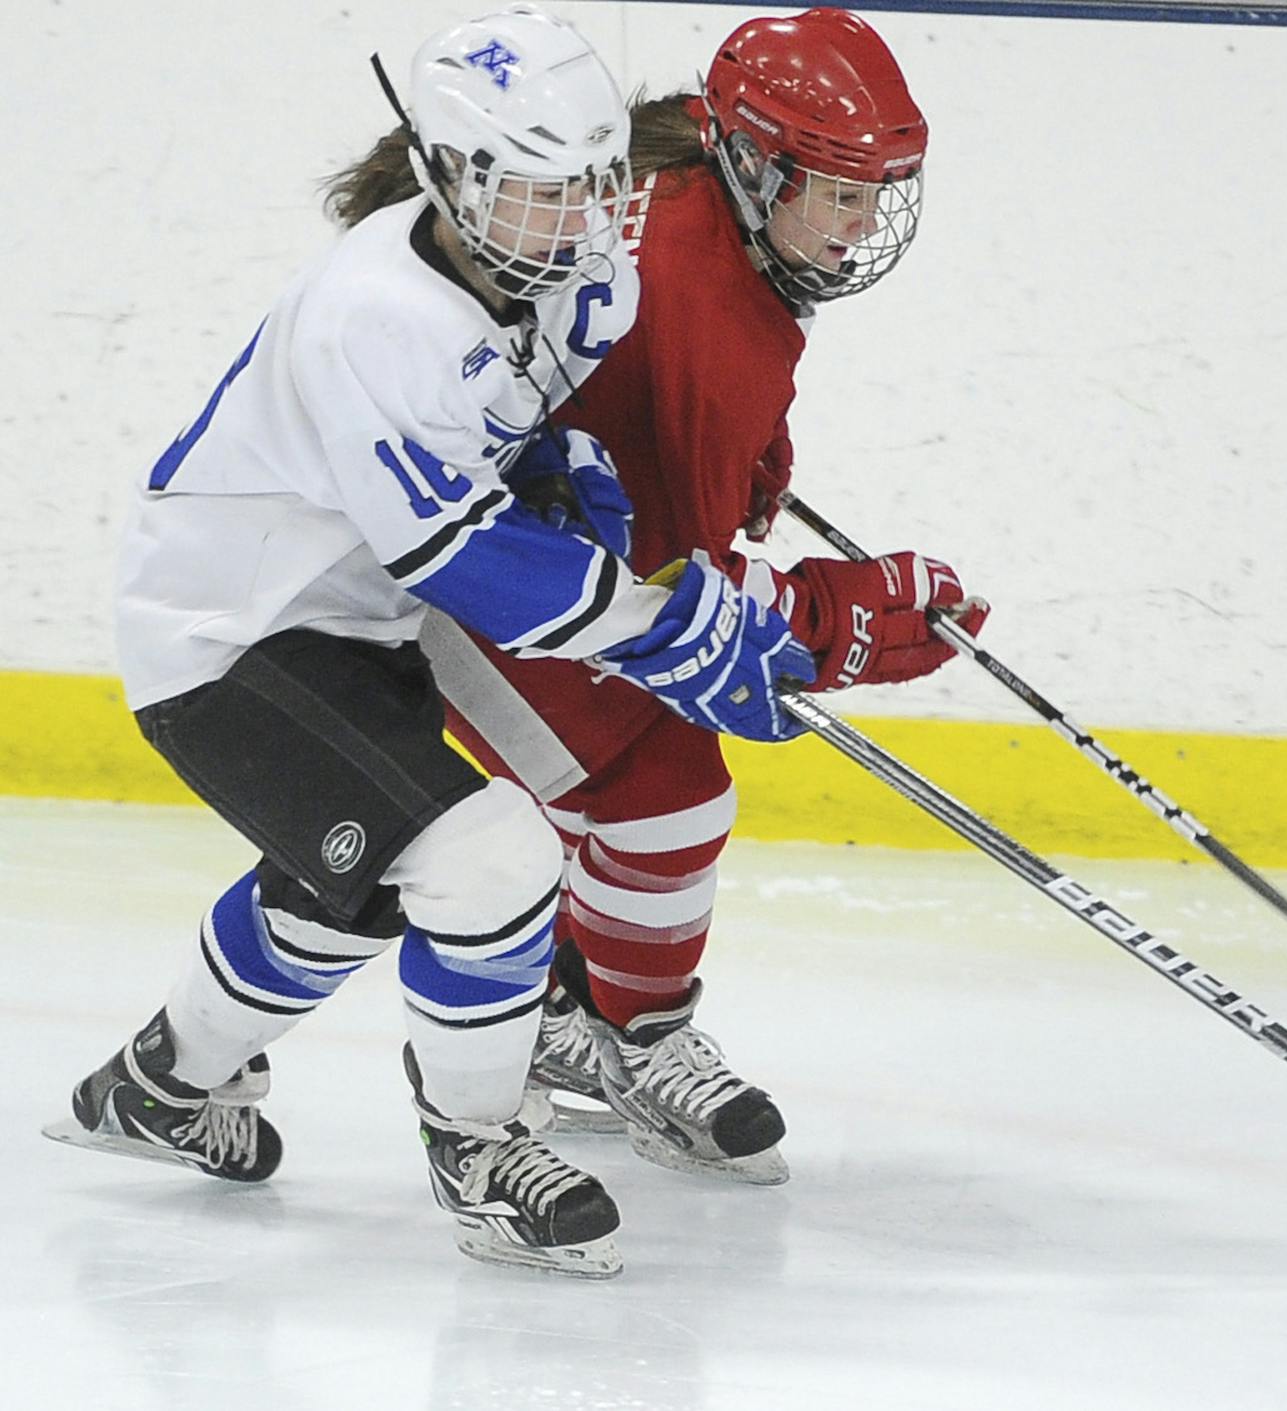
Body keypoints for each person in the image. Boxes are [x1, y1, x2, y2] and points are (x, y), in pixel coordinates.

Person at [43, 4, 816, 1279]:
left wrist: (584, 480)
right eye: (533, 191)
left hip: (351, 625)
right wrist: (663, 628)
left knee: (345, 890)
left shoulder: (576, 265)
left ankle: (157, 1087)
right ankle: (480, 1145)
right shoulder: (376, 316)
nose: (571, 220)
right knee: (490, 859)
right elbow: (462, 557)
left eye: (589, 186)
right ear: (451, 176)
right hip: (228, 632)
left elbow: (537, 438)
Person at [402, 8, 980, 1179]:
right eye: (843, 193)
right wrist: (843, 621)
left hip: (519, 544)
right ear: (758, 164)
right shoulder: (698, 298)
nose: (868, 224)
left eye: (880, 193)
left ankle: (572, 1006)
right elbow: (674, 597)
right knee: (660, 787)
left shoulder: (695, 206)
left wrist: (733, 449)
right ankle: (628, 1034)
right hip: (453, 577)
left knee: (623, 787)